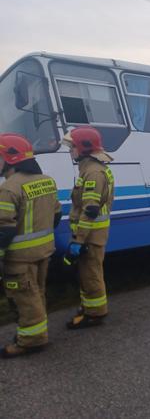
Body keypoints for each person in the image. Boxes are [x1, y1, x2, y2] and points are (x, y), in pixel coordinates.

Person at [0, 133, 61, 358]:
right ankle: (36, 331)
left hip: (18, 258)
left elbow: (4, 230)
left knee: (25, 298)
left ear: (10, 159)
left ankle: (31, 340)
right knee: (37, 293)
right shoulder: (46, 180)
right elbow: (56, 215)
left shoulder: (8, 189)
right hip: (44, 252)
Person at [62, 126, 115, 329]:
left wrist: (78, 240)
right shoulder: (91, 168)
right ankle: (89, 308)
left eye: (72, 146)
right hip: (91, 234)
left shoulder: (92, 172)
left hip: (90, 236)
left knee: (91, 274)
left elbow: (90, 210)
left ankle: (95, 314)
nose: (70, 150)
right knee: (87, 273)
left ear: (83, 148)